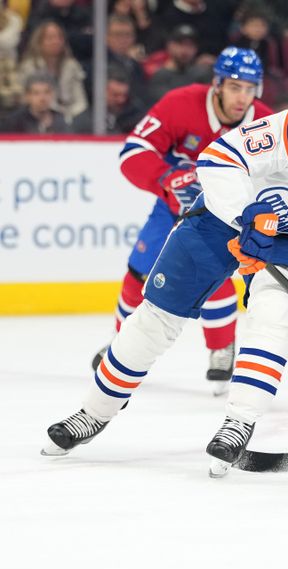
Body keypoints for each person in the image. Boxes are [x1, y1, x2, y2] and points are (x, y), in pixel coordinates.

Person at [42, 108, 288, 481]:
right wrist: (244, 217)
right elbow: (220, 157)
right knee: (156, 316)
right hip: (226, 215)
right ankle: (94, 411)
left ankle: (239, 422)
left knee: (274, 311)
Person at [87, 47, 272, 394]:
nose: (242, 97)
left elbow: (279, 177)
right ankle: (120, 343)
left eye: (250, 88)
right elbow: (133, 152)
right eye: (235, 87)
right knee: (138, 272)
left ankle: (221, 349)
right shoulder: (180, 104)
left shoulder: (265, 123)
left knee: (212, 276)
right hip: (171, 206)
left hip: (222, 217)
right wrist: (167, 179)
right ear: (217, 84)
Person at [0, 72, 69, 133]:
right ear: (27, 96)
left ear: (53, 94)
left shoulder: (60, 120)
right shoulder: (14, 122)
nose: (42, 98)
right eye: (36, 93)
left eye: (47, 92)